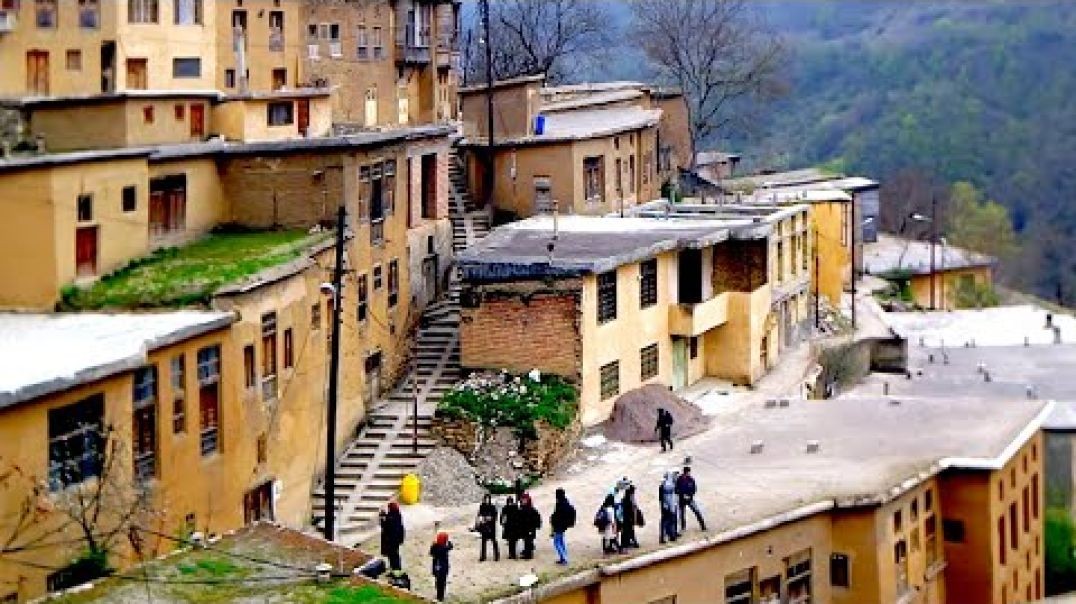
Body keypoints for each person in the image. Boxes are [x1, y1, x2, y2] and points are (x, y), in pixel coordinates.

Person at [549, 488, 576, 565]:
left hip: (558, 526)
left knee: (557, 542)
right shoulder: (566, 502)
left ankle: (564, 558)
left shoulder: (559, 504)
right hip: (563, 526)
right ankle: (563, 557)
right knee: (561, 541)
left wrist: (552, 520)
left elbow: (557, 516)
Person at [676, 466, 707, 531]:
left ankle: (703, 526)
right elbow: (676, 490)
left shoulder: (691, 479)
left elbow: (694, 489)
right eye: (687, 472)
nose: (688, 473)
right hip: (682, 499)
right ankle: (683, 527)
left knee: (697, 511)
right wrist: (682, 495)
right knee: (682, 514)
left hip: (689, 499)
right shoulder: (679, 479)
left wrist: (690, 495)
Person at [379, 501, 405, 571]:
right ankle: (396, 568)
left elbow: (385, 526)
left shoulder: (391, 518)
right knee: (394, 554)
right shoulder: (397, 515)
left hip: (390, 540)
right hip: (395, 540)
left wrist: (382, 517)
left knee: (392, 555)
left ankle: (395, 569)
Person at [429, 531, 453, 602]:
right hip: (443, 567)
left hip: (436, 566)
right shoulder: (444, 548)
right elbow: (450, 545)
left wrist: (433, 544)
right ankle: (440, 596)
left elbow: (431, 552)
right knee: (442, 582)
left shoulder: (436, 547)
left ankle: (439, 595)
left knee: (438, 581)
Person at [475, 494, 500, 562]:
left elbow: (495, 515)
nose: (487, 500)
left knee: (494, 541)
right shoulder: (482, 506)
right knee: (483, 542)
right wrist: (481, 520)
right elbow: (479, 515)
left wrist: (491, 518)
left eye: (488, 499)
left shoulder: (492, 507)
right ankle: (483, 556)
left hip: (491, 526)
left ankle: (497, 556)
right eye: (486, 499)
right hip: (484, 526)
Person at [518, 493, 542, 560]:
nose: (523, 501)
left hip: (530, 529)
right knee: (526, 541)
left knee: (528, 541)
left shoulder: (531, 509)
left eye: (525, 500)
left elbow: (537, 518)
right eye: (522, 500)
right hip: (523, 529)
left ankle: (528, 555)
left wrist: (536, 526)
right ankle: (527, 552)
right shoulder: (521, 509)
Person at [658, 472, 680, 544]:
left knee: (670, 521)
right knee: (667, 522)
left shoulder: (669, 485)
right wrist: (667, 506)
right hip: (667, 507)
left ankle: (671, 536)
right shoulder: (667, 486)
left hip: (670, 506)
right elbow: (664, 498)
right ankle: (667, 537)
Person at [619, 484, 641, 549]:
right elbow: (632, 508)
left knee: (628, 531)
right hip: (628, 518)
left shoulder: (626, 498)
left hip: (627, 518)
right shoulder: (629, 499)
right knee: (629, 530)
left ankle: (628, 542)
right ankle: (630, 543)